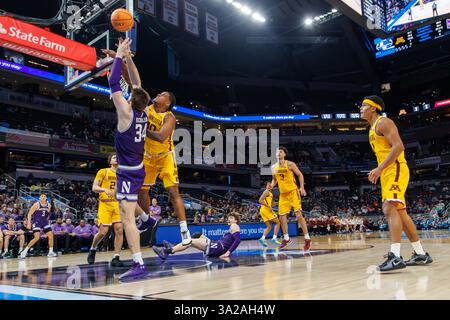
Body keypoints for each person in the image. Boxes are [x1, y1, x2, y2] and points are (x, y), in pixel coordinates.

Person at [360, 95, 432, 271]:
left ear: (374, 108)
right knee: (400, 213)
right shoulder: (371, 129)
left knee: (388, 207)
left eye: (364, 106)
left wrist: (379, 168)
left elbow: (399, 146)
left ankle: (396, 256)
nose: (360, 108)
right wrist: (380, 170)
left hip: (396, 168)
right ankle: (420, 254)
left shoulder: (383, 122)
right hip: (388, 172)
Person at [108, 38, 151, 280]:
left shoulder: (126, 113)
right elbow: (136, 82)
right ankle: (146, 217)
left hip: (127, 170)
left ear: (130, 100)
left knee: (126, 218)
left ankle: (138, 263)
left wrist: (117, 57)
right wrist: (127, 57)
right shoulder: (142, 110)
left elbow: (115, 81)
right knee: (123, 202)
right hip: (137, 167)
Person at [87, 153, 124, 267]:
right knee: (103, 232)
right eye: (113, 157)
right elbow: (94, 187)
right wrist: (103, 189)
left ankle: (116, 257)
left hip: (118, 204)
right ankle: (93, 249)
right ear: (109, 161)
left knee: (119, 230)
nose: (116, 158)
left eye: (117, 157)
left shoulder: (123, 174)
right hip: (105, 204)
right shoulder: (103, 171)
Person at [270, 147, 311, 251]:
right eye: (277, 152)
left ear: (284, 154)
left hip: (293, 192)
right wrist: (271, 185)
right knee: (282, 217)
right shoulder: (273, 167)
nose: (278, 153)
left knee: (298, 215)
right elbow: (275, 180)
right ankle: (286, 238)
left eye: (280, 152)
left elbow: (300, 175)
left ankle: (307, 238)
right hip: (283, 195)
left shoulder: (290, 164)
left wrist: (301, 187)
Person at [153, 212, 241, 260]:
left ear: (236, 221)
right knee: (198, 234)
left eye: (232, 218)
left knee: (190, 241)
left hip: (218, 248)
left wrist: (227, 253)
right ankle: (175, 247)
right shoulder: (232, 227)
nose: (229, 218)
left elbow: (237, 240)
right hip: (217, 245)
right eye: (229, 217)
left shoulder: (234, 226)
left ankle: (166, 251)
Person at [19, 194, 56, 258]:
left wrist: (48, 217)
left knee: (51, 235)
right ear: (39, 198)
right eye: (42, 196)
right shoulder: (36, 204)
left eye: (44, 196)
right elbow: (30, 213)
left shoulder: (49, 205)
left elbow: (48, 213)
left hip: (44, 222)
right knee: (36, 237)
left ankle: (50, 252)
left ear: (46, 198)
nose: (43, 197)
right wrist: (29, 223)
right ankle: (24, 251)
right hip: (36, 222)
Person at [258, 182, 281, 247]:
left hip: (263, 210)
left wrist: (279, 202)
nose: (269, 186)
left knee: (269, 227)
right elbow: (260, 200)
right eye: (268, 185)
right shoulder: (266, 191)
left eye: (270, 185)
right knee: (278, 223)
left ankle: (262, 238)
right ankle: (274, 238)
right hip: (266, 210)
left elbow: (272, 204)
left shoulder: (270, 193)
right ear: (266, 186)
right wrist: (268, 206)